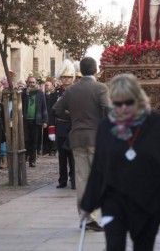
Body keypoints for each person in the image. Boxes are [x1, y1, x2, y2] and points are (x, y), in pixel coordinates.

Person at [80, 74, 160, 250]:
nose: (123, 108)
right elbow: (99, 167)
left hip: (149, 199)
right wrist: (87, 205)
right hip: (114, 199)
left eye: (128, 102)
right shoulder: (107, 126)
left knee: (143, 246)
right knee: (114, 246)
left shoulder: (155, 122)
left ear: (138, 99)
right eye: (117, 103)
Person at [53, 57, 110, 231]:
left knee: (82, 178)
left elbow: (57, 109)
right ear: (95, 70)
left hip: (77, 137)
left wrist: (74, 118)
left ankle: (87, 217)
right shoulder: (100, 87)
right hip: (96, 138)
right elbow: (108, 109)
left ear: (81, 71)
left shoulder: (71, 90)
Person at [53, 60, 76, 189]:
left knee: (72, 155)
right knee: (61, 156)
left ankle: (74, 179)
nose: (66, 80)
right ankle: (62, 180)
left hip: (72, 125)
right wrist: (51, 129)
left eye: (68, 77)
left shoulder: (75, 91)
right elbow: (52, 110)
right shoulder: (57, 93)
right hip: (60, 126)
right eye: (64, 77)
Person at [21, 76, 48, 167]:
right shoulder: (24, 93)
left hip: (36, 120)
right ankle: (26, 157)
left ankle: (32, 160)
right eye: (30, 82)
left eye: (33, 82)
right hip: (25, 120)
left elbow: (44, 107)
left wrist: (45, 120)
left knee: (34, 141)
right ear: (27, 83)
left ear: (36, 83)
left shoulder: (40, 93)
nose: (31, 84)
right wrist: (26, 94)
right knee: (26, 140)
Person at [43, 80, 58, 156]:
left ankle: (53, 149)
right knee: (45, 133)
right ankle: (46, 149)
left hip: (52, 117)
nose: (46, 87)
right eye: (45, 85)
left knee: (52, 133)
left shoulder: (55, 95)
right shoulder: (43, 95)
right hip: (45, 117)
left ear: (51, 86)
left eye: (48, 85)